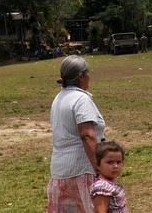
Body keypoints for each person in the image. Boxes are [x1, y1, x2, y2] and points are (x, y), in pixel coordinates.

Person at [47, 55, 106, 213]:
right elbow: (87, 135)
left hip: (60, 171)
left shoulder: (59, 98)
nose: (89, 76)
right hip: (82, 169)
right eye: (88, 73)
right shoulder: (80, 99)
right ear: (81, 76)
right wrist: (99, 168)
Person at [90, 141, 128, 213]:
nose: (115, 166)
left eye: (118, 162)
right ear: (98, 165)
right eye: (110, 162)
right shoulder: (102, 187)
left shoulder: (111, 182)